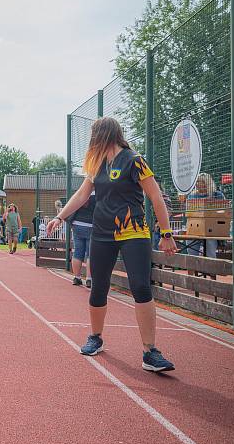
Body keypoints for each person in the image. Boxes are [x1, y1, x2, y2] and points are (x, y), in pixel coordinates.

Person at [47, 117, 177, 373]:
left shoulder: (133, 160)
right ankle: (95, 337)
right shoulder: (96, 165)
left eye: (94, 135)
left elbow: (155, 197)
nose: (91, 140)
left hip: (134, 232)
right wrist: (60, 216)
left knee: (140, 285)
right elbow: (82, 195)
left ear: (103, 134)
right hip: (103, 233)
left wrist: (166, 232)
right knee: (98, 287)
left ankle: (150, 351)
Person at [70, 190, 96, 288]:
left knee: (77, 252)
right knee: (90, 254)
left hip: (77, 224)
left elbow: (72, 206)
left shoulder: (81, 192)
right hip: (91, 225)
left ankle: (76, 277)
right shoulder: (98, 194)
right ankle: (89, 279)